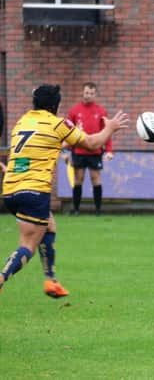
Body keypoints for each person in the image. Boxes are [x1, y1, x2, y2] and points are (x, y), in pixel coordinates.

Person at [0, 85, 128, 297]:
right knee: (27, 246)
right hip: (34, 191)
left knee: (49, 225)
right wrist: (111, 128)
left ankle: (51, 281)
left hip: (11, 189)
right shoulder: (58, 124)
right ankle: (2, 277)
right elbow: (90, 142)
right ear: (55, 106)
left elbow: (23, 158)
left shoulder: (22, 122)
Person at [64, 82, 113, 216]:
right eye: (86, 92)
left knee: (95, 178)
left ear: (95, 94)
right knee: (78, 179)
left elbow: (106, 132)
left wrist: (109, 151)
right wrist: (66, 151)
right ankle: (76, 209)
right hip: (79, 151)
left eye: (91, 93)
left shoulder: (101, 111)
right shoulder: (74, 110)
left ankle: (98, 210)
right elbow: (68, 132)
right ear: (82, 93)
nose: (88, 95)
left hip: (95, 151)